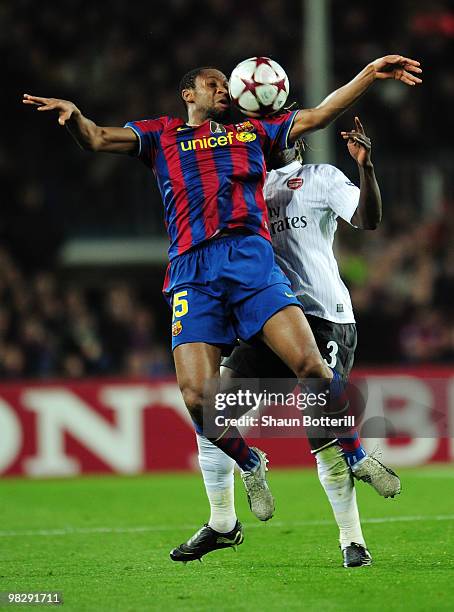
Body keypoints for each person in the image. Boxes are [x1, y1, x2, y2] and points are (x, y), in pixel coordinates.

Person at [23, 54, 421, 534]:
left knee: (311, 366)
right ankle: (250, 462)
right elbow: (97, 138)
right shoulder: (160, 135)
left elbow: (320, 114)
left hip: (251, 263)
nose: (223, 91)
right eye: (213, 84)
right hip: (192, 273)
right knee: (198, 399)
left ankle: (356, 455)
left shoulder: (251, 134)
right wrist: (74, 118)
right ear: (188, 93)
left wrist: (368, 74)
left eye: (226, 86)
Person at [170, 117, 389, 567]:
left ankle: (353, 540)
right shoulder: (245, 186)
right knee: (211, 408)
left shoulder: (321, 178)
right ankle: (222, 522)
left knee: (320, 432)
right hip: (265, 318)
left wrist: (366, 169)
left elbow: (367, 219)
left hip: (324, 316)